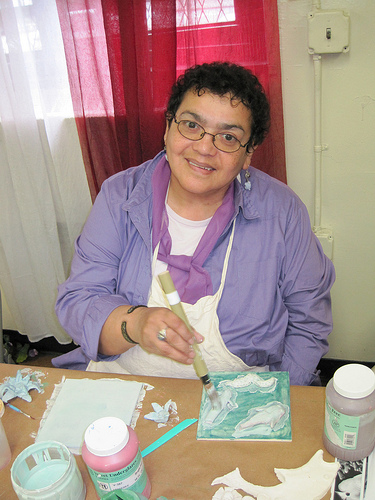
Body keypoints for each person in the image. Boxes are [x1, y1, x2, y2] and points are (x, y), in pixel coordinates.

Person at [53, 61, 335, 385]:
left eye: (228, 137)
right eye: (190, 125)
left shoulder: (283, 213)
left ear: (248, 154)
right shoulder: (119, 197)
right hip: (125, 382)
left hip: (242, 394)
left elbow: (308, 320)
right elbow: (78, 302)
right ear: (168, 127)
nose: (203, 148)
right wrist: (135, 323)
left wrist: (279, 401)